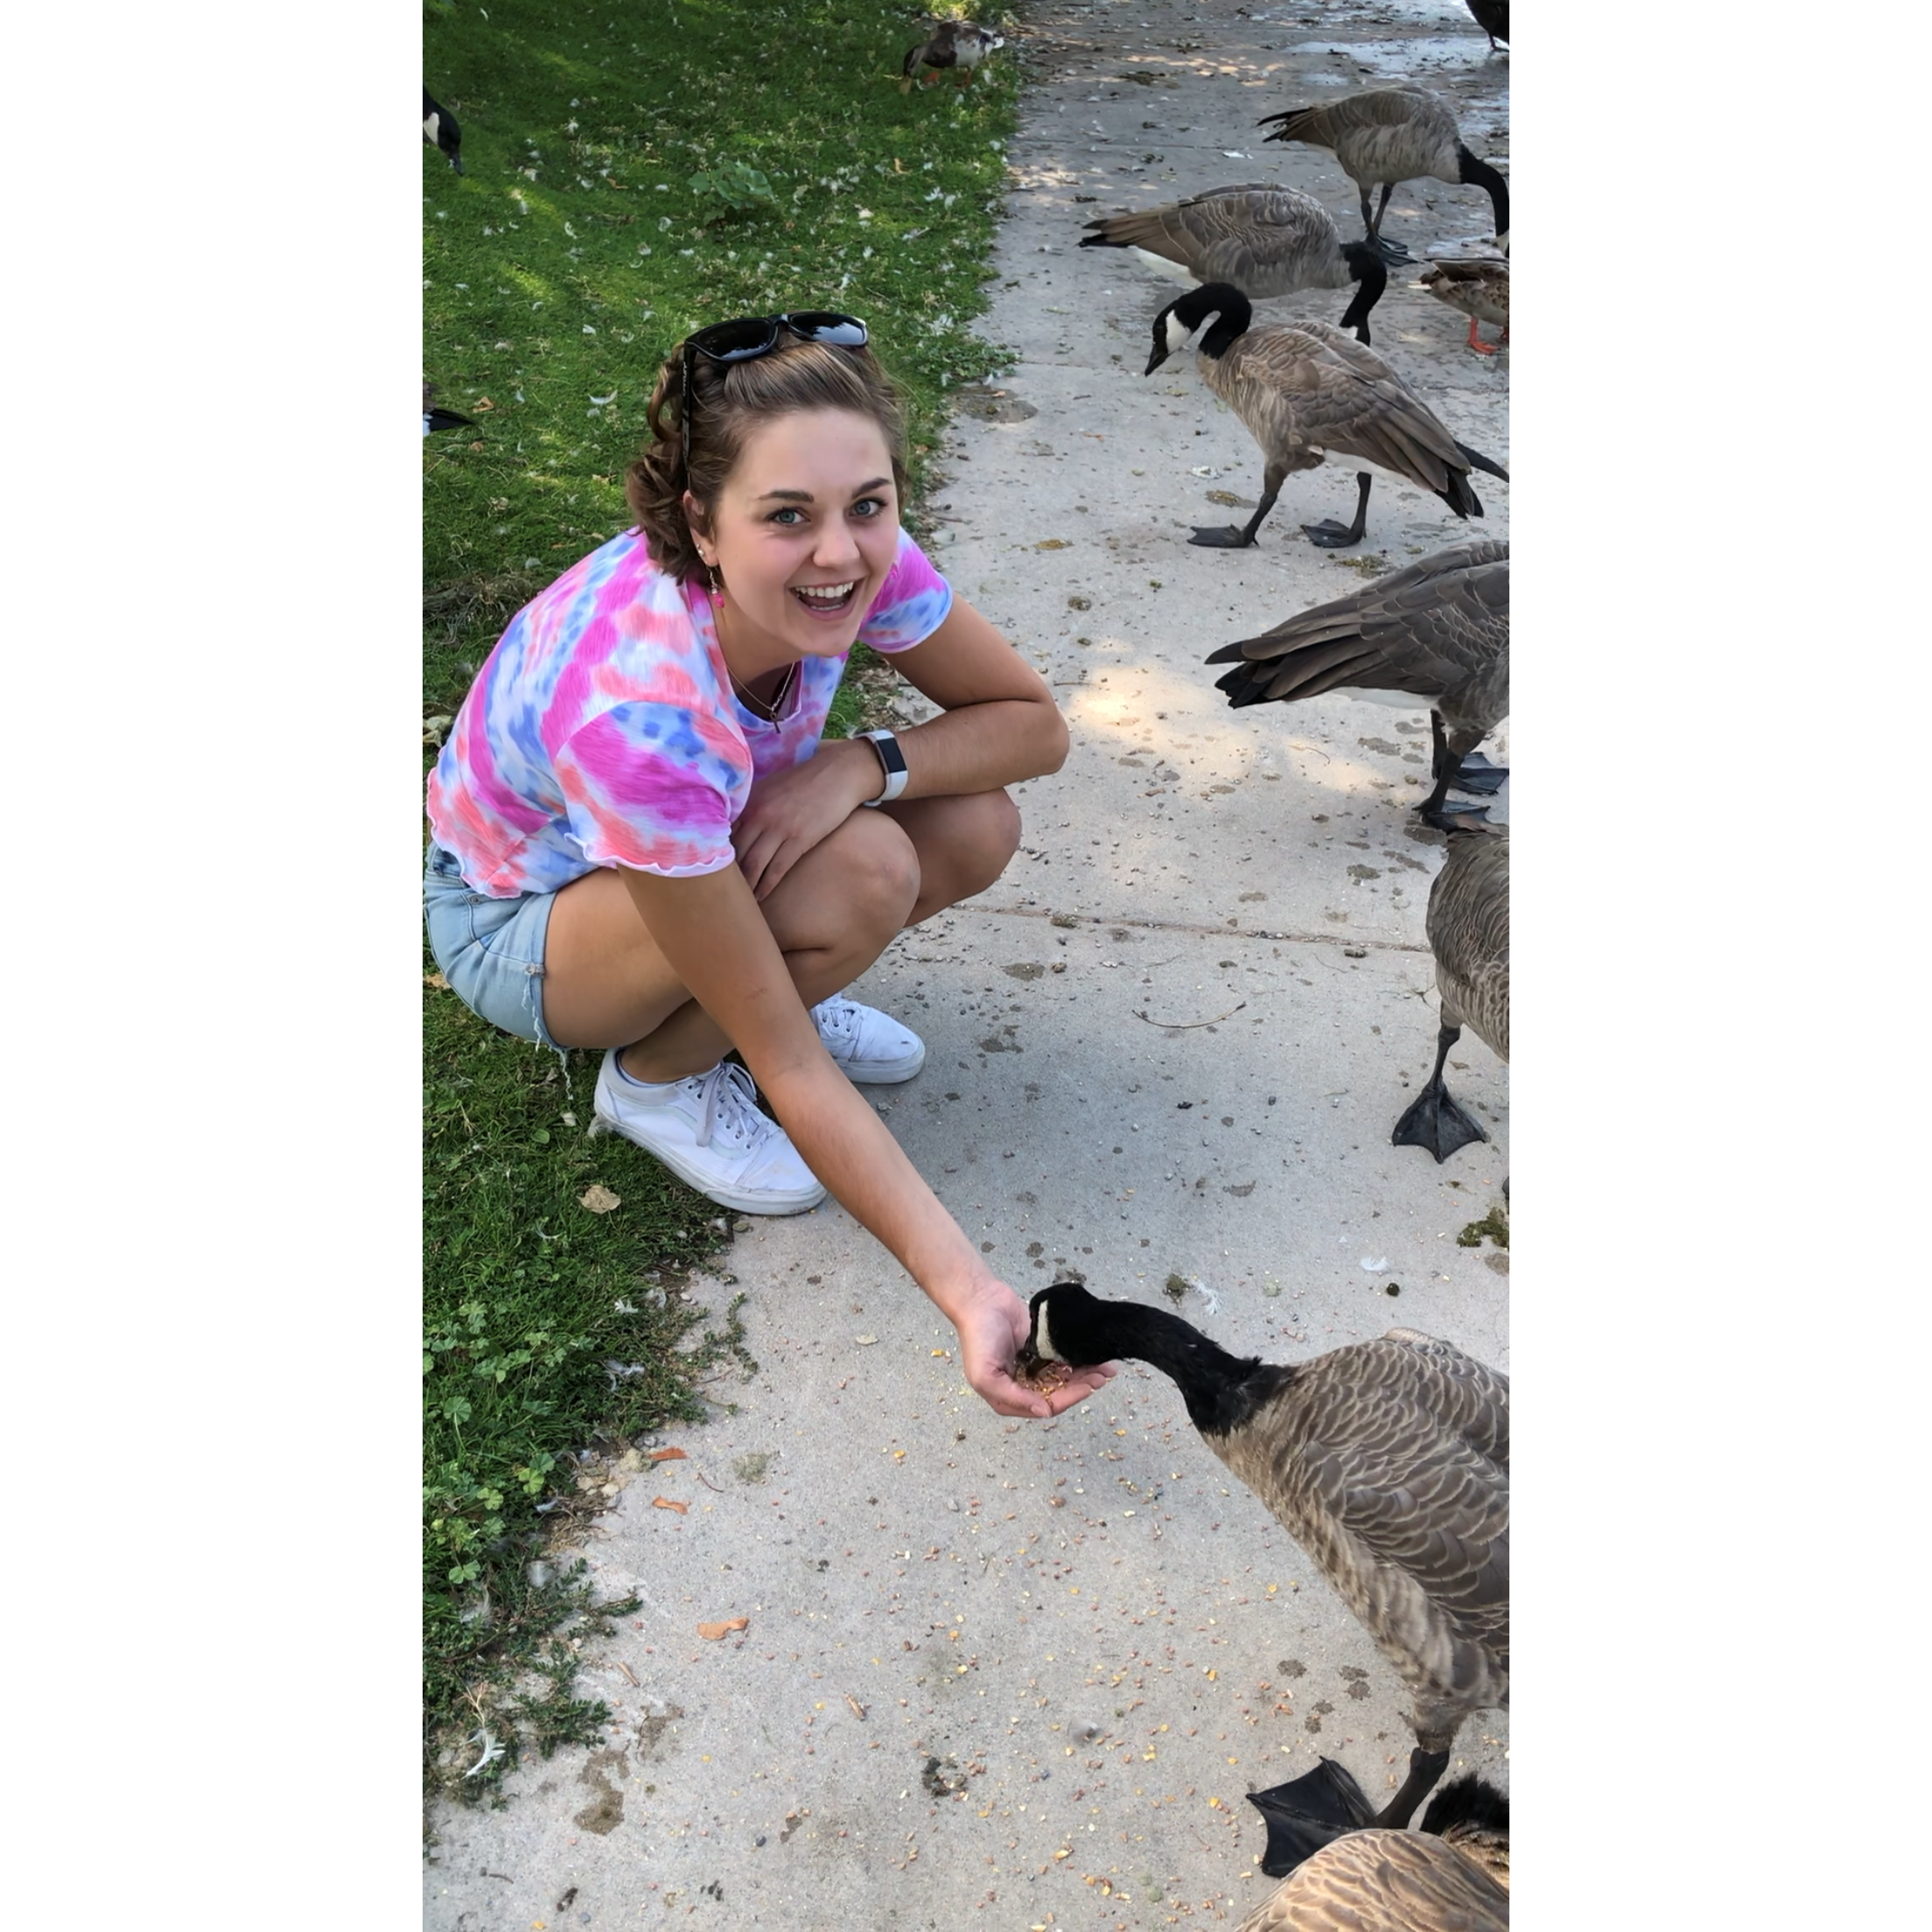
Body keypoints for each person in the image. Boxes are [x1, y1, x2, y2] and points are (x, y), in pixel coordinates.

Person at [425, 312, 1113, 1422]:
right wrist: (972, 1292)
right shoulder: (642, 710)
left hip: (682, 853)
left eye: (869, 506)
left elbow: (1033, 728)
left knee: (971, 821)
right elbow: (792, 1068)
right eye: (787, 517)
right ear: (701, 523)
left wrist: (859, 761)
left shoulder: (850, 558)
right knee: (865, 878)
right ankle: (656, 1081)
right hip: (519, 926)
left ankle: (755, 977)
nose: (839, 553)